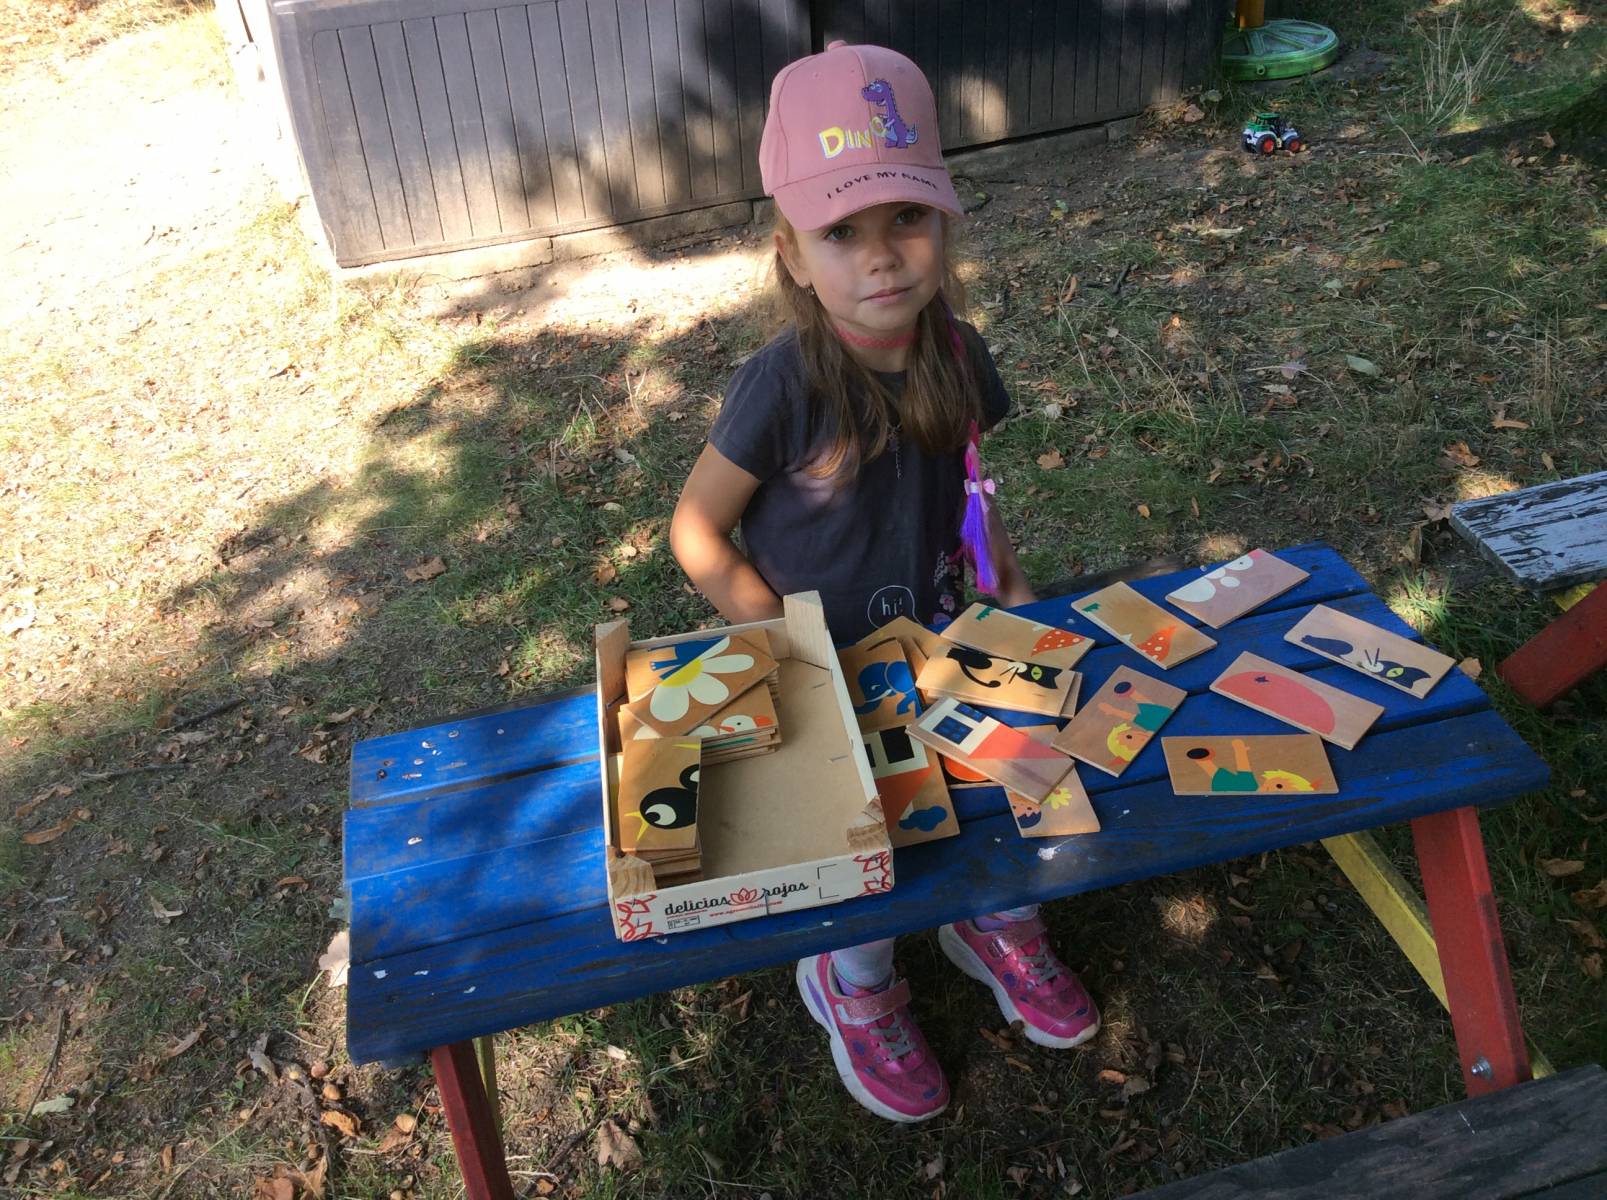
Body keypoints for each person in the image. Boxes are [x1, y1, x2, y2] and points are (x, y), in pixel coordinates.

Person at [669, 40, 1099, 1124]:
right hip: (821, 669)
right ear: (790, 253)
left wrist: (1005, 576)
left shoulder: (956, 348)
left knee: (1006, 778)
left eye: (905, 218)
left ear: (943, 222)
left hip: (944, 640)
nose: (882, 258)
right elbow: (695, 528)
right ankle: (852, 980)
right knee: (860, 833)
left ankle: (994, 920)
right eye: (840, 232)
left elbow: (971, 478)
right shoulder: (780, 386)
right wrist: (786, 649)